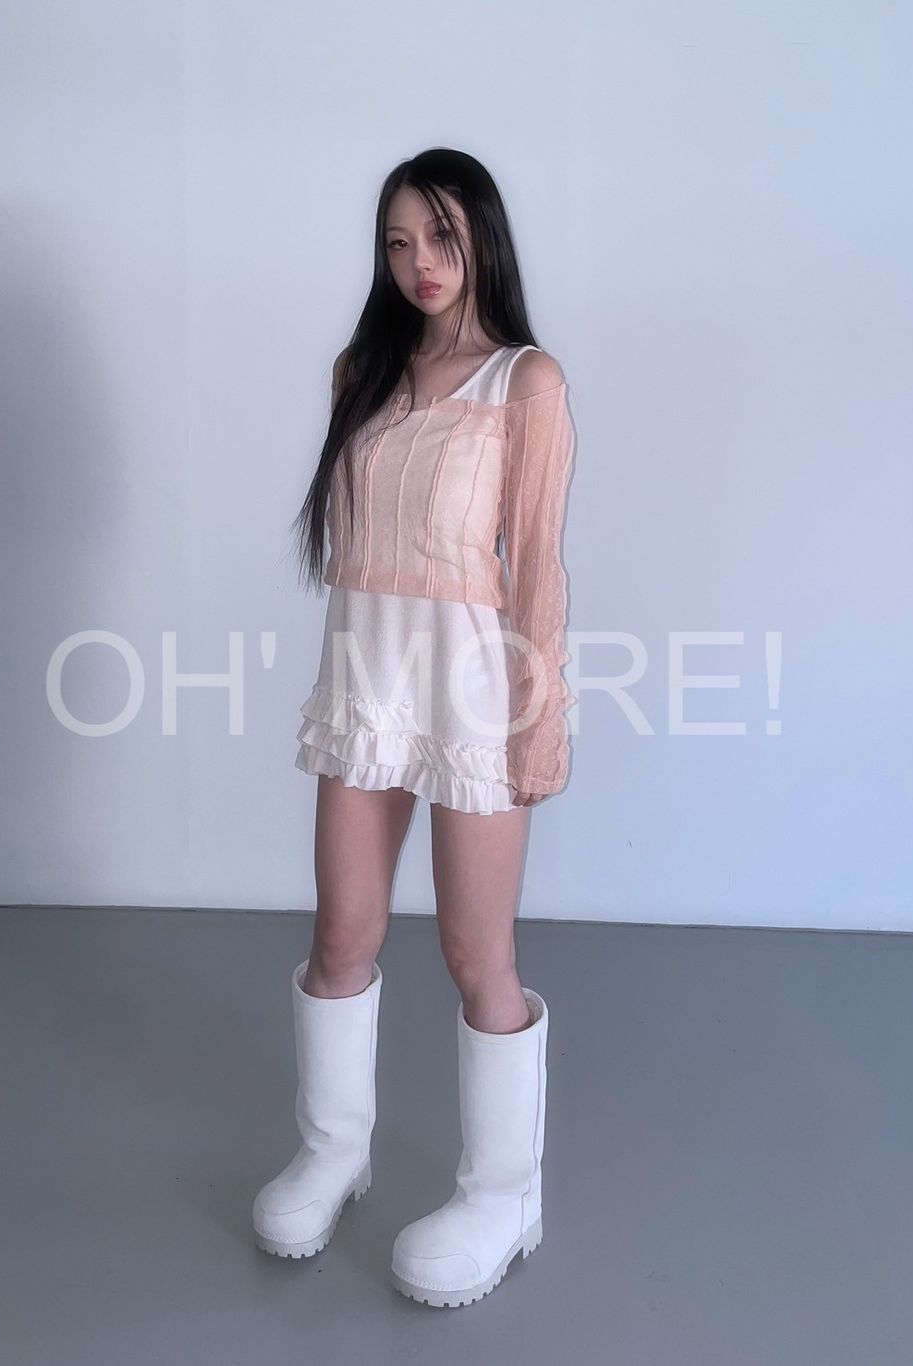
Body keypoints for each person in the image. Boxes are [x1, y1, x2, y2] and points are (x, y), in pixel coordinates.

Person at [252, 148, 577, 1308]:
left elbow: (535, 567)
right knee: (342, 932)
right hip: (366, 678)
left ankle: (503, 1191)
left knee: (474, 953)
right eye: (397, 243)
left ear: (479, 233)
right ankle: (332, 1149)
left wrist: (539, 721)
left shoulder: (524, 381)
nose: (419, 263)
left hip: (474, 687)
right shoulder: (365, 370)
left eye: (439, 235)